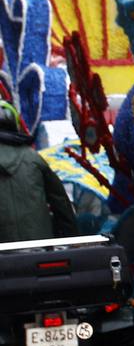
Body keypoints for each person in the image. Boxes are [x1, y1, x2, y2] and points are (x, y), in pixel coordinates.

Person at [0, 100, 77, 243]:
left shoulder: (33, 158)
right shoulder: (33, 158)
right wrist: (70, 242)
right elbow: (62, 205)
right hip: (39, 252)